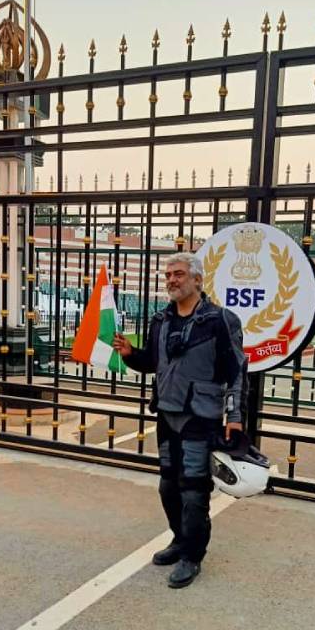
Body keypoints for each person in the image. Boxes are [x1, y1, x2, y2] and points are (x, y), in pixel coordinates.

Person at [112, 252, 247, 589]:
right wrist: (131, 355)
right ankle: (178, 539)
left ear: (197, 280)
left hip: (200, 417)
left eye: (179, 274)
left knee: (193, 492)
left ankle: (192, 556)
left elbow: (236, 372)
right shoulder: (160, 320)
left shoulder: (220, 320)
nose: (172, 280)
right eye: (168, 274)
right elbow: (153, 363)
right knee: (168, 486)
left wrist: (234, 415)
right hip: (166, 416)